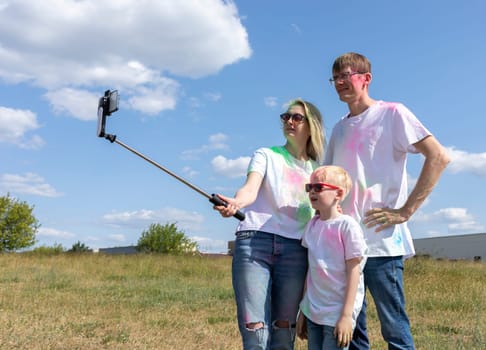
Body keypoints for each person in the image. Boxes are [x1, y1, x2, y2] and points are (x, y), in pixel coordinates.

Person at [324, 52, 450, 350]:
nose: (341, 82)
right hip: (345, 244)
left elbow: (439, 157)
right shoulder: (339, 128)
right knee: (351, 329)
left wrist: (406, 210)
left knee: (394, 328)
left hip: (381, 242)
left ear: (366, 79)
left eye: (347, 75)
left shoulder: (393, 114)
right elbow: (330, 180)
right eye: (335, 78)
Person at [213, 98, 325, 350]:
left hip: (296, 250)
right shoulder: (266, 155)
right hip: (255, 243)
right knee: (254, 329)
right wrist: (236, 203)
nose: (289, 122)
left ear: (312, 125)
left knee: (284, 329)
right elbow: (250, 189)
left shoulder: (318, 170)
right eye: (286, 117)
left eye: (297, 117)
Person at [297, 165, 367, 350]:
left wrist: (346, 315)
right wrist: (304, 309)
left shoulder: (347, 226)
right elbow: (311, 271)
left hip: (336, 313)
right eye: (309, 187)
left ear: (338, 194)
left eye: (318, 187)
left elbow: (355, 271)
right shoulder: (312, 226)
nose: (312, 191)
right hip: (314, 311)